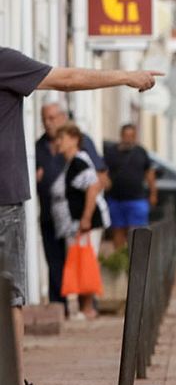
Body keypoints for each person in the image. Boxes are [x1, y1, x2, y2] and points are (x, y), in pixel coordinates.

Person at [2, 47, 160, 385]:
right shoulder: (4, 62)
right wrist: (126, 76)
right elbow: (69, 80)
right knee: (10, 296)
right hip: (3, 198)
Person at [35, 102, 105, 311]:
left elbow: (97, 180)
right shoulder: (39, 146)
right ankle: (60, 306)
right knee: (56, 261)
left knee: (80, 259)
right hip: (50, 214)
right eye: (45, 119)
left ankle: (87, 305)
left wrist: (86, 215)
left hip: (76, 217)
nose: (48, 123)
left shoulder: (81, 150)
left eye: (52, 118)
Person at [48, 123, 109, 319]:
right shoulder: (69, 162)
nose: (59, 142)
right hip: (75, 223)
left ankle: (87, 308)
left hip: (84, 223)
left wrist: (85, 218)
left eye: (62, 138)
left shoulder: (79, 161)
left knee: (85, 262)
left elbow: (92, 187)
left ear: (74, 139)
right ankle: (85, 307)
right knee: (80, 261)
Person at [103, 123, 157, 251]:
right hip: (116, 200)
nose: (128, 138)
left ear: (135, 137)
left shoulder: (141, 152)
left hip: (137, 200)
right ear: (121, 136)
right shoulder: (111, 152)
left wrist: (153, 193)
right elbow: (103, 172)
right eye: (126, 136)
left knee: (137, 232)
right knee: (118, 231)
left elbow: (149, 173)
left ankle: (137, 262)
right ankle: (121, 260)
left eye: (131, 136)